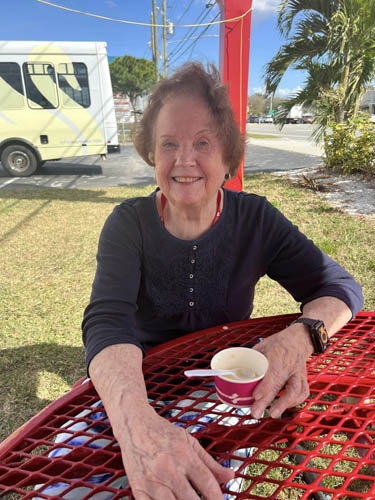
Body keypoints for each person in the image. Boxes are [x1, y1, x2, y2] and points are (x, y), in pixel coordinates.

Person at [82, 62, 363, 500]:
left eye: (203, 143)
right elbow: (107, 321)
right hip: (138, 382)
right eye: (168, 143)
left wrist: (298, 340)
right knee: (81, 480)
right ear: (151, 154)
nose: (184, 159)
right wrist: (137, 426)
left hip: (225, 387)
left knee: (212, 487)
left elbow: (339, 287)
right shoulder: (127, 223)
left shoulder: (255, 219)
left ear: (229, 157)